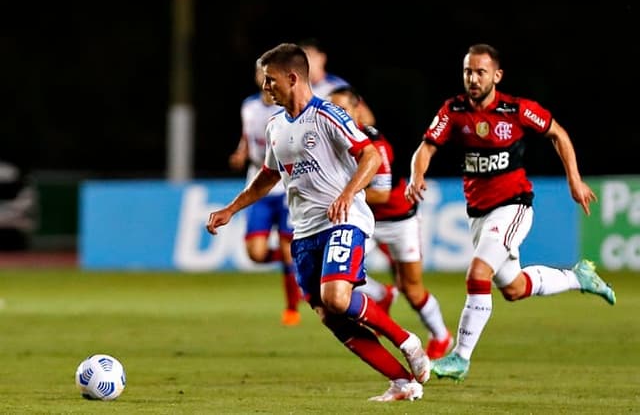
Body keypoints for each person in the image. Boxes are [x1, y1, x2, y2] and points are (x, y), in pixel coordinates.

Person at [207, 42, 430, 402]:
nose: (265, 88)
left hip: (344, 220)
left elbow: (370, 156)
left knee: (336, 296)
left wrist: (347, 194)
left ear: (292, 77)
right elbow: (268, 176)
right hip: (305, 230)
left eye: (270, 80)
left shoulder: (327, 114)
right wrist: (231, 209)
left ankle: (406, 340)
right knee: (330, 316)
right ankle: (402, 383)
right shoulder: (276, 125)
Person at [405, 43, 617, 382]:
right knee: (514, 288)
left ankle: (460, 357)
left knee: (478, 274)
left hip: (513, 206)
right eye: (468, 72)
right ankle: (579, 277)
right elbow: (426, 147)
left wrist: (574, 181)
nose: (473, 79)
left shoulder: (516, 110)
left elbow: (558, 134)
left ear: (496, 76)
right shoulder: (454, 110)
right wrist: (416, 175)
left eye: (480, 72)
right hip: (479, 213)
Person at [328, 85, 454, 360]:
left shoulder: (376, 144)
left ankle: (442, 336)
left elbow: (382, 193)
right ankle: (381, 294)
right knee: (340, 276)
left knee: (412, 289)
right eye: (332, 109)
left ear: (357, 110)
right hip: (365, 220)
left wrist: (340, 195)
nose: (336, 115)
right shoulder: (331, 139)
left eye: (343, 109)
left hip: (399, 220)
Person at [228, 60, 302, 326]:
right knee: (256, 253)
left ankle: (292, 308)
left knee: (286, 250)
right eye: (262, 72)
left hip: (285, 186)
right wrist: (241, 153)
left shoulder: (289, 110)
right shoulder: (248, 106)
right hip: (257, 185)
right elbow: (248, 137)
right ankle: (299, 269)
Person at [298, 37, 376, 126]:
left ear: (322, 58)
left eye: (309, 55)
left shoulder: (337, 85)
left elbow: (367, 118)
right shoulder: (297, 88)